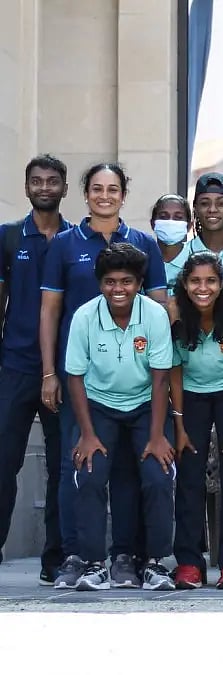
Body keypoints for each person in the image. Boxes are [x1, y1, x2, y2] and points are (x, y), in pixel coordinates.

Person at [40, 162, 168, 590]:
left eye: (113, 189)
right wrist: (48, 372)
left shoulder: (143, 245)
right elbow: (50, 311)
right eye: (97, 188)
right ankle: (77, 557)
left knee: (138, 475)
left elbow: (159, 346)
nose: (105, 195)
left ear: (123, 195)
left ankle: (129, 559)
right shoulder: (64, 245)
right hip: (89, 383)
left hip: (137, 390)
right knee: (78, 466)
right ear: (86, 193)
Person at [64, 244, 174, 591]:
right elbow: (75, 378)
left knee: (157, 477)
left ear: (140, 283)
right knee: (91, 475)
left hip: (144, 405)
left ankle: (156, 563)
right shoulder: (85, 316)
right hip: (98, 406)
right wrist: (87, 434)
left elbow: (160, 379)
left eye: (126, 281)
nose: (118, 289)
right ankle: (94, 564)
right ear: (100, 284)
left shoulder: (154, 315)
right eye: (110, 282)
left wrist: (157, 436)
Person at [0, 155, 72, 584]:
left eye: (52, 181)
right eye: (36, 181)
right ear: (27, 187)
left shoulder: (75, 238)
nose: (44, 187)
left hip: (64, 371)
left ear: (64, 188)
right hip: (14, 366)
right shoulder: (9, 237)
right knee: (4, 462)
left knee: (62, 466)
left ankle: (56, 559)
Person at [168, 252, 223, 589]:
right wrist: (178, 425)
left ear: (222, 285)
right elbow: (174, 374)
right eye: (195, 281)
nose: (202, 288)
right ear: (185, 284)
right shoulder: (177, 320)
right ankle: (189, 563)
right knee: (189, 476)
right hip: (190, 396)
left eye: (210, 281)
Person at [152, 194, 191, 295]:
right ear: (153, 223)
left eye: (178, 217)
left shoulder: (195, 260)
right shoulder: (144, 258)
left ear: (189, 226)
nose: (170, 222)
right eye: (163, 217)